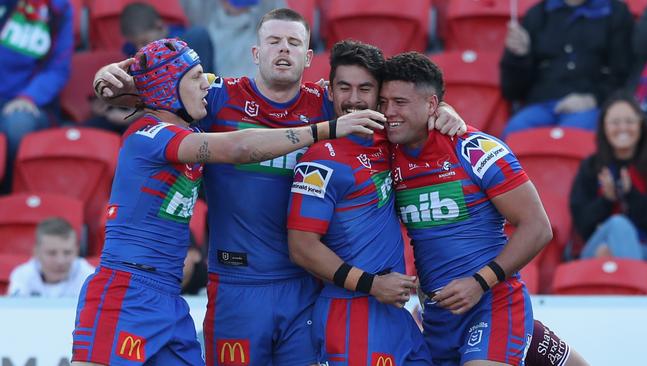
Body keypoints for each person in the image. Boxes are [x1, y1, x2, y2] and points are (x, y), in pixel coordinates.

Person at [92, 9, 466, 366]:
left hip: (301, 286)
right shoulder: (217, 97)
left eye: (293, 42)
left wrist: (440, 110)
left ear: (308, 58)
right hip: (235, 285)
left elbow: (393, 102)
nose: (283, 48)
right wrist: (106, 76)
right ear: (255, 52)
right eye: (273, 41)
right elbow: (154, 85)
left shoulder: (331, 103)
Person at [71, 38, 383, 366]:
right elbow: (239, 149)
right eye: (195, 78)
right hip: (126, 288)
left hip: (168, 297)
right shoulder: (150, 135)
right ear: (168, 90)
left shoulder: (183, 133)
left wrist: (444, 111)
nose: (205, 86)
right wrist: (323, 130)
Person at [383, 52, 552, 366]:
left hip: (492, 302)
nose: (389, 112)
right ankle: (538, 342)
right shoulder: (385, 156)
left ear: (431, 105)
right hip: (438, 317)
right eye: (383, 102)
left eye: (400, 102)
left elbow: (538, 227)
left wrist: (479, 282)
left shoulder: (476, 150)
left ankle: (532, 338)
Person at [287, 40, 431, 365]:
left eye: (364, 88)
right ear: (329, 92)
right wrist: (372, 284)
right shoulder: (320, 160)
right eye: (344, 88)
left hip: (396, 315)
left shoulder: (389, 140)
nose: (353, 100)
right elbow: (301, 247)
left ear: (379, 94)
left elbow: (424, 110)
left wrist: (446, 112)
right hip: (352, 314)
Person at [500, 0, 633, 138]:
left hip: (591, 107)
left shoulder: (615, 12)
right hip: (539, 106)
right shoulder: (538, 14)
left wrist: (592, 99)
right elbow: (511, 91)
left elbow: (623, 75)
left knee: (571, 139)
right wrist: (519, 56)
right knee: (513, 136)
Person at [0, 0, 73, 192]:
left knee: (18, 125)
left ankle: (9, 198)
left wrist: (28, 97)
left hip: (30, 103)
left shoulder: (59, 9)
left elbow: (57, 70)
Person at [569, 92, 647, 260]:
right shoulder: (591, 167)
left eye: (629, 121)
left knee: (608, 251)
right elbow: (582, 227)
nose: (622, 128)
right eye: (615, 122)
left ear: (640, 125)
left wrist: (631, 195)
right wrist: (606, 199)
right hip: (595, 248)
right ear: (604, 127)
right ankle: (635, 284)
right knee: (616, 227)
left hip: (644, 250)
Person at [8, 217, 94, 297]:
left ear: (76, 251)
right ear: (36, 252)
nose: (60, 261)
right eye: (52, 253)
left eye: (67, 252)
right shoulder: (22, 275)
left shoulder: (88, 275)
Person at [120, 2, 214, 73]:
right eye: (134, 44)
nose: (140, 49)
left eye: (144, 42)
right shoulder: (131, 50)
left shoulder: (192, 40)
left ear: (159, 26)